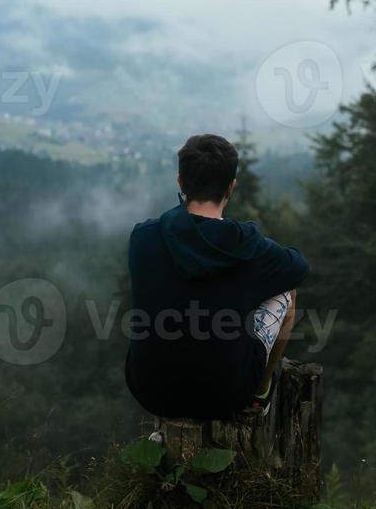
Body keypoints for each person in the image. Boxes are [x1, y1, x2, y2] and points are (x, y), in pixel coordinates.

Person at [124, 133, 309, 419]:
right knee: (286, 292)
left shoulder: (143, 237)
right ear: (231, 187)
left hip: (149, 391)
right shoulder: (246, 246)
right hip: (227, 396)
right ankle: (259, 394)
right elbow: (298, 268)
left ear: (181, 182)